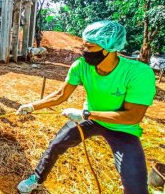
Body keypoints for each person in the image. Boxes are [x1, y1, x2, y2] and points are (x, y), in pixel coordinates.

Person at [16, 21, 156, 194]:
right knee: (57, 144)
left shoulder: (138, 73)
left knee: (136, 185)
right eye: (84, 46)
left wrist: (87, 114)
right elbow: (61, 95)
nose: (85, 52)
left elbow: (132, 117)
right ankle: (36, 178)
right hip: (89, 118)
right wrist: (32, 106)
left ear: (109, 48)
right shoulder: (82, 66)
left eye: (90, 47)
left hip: (122, 128)